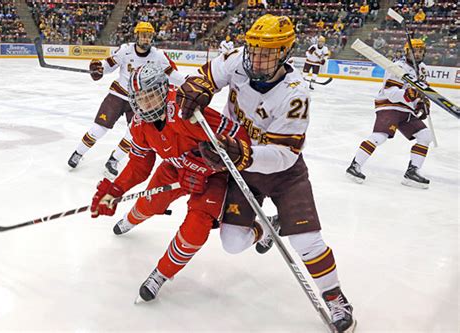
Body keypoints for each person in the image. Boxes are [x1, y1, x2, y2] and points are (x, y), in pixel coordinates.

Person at [177, 14, 355, 333]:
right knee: (232, 242)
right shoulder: (236, 60)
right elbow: (205, 77)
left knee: (307, 241)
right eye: (253, 49)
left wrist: (240, 154)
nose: (256, 58)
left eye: (266, 53)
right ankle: (264, 228)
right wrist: (196, 88)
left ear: (284, 53)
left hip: (283, 172)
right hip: (241, 163)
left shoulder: (295, 93)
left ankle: (335, 297)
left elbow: (284, 155)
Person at [91, 64, 250, 301]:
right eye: (139, 98)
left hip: (212, 177)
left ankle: (162, 274)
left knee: (197, 228)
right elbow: (139, 165)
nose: (145, 103)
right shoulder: (138, 125)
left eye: (151, 95)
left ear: (164, 90)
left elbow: (239, 137)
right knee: (149, 203)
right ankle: (130, 219)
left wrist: (206, 161)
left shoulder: (188, 112)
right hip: (174, 169)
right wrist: (114, 190)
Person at [67, 21, 185, 177]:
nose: (146, 39)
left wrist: (188, 83)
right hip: (118, 95)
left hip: (141, 101)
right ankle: (78, 153)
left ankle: (113, 160)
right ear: (137, 36)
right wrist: (99, 68)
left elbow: (172, 75)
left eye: (149, 36)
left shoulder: (158, 55)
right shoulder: (125, 50)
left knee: (133, 135)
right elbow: (108, 66)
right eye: (143, 36)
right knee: (99, 128)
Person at [346, 39, 432, 188]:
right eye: (414, 51)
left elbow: (421, 91)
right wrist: (408, 94)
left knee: (425, 136)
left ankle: (412, 173)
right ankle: (354, 166)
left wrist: (420, 103)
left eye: (420, 51)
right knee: (380, 136)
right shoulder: (397, 67)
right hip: (389, 106)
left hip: (406, 110)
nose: (417, 54)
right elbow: (390, 92)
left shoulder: (423, 69)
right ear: (406, 52)